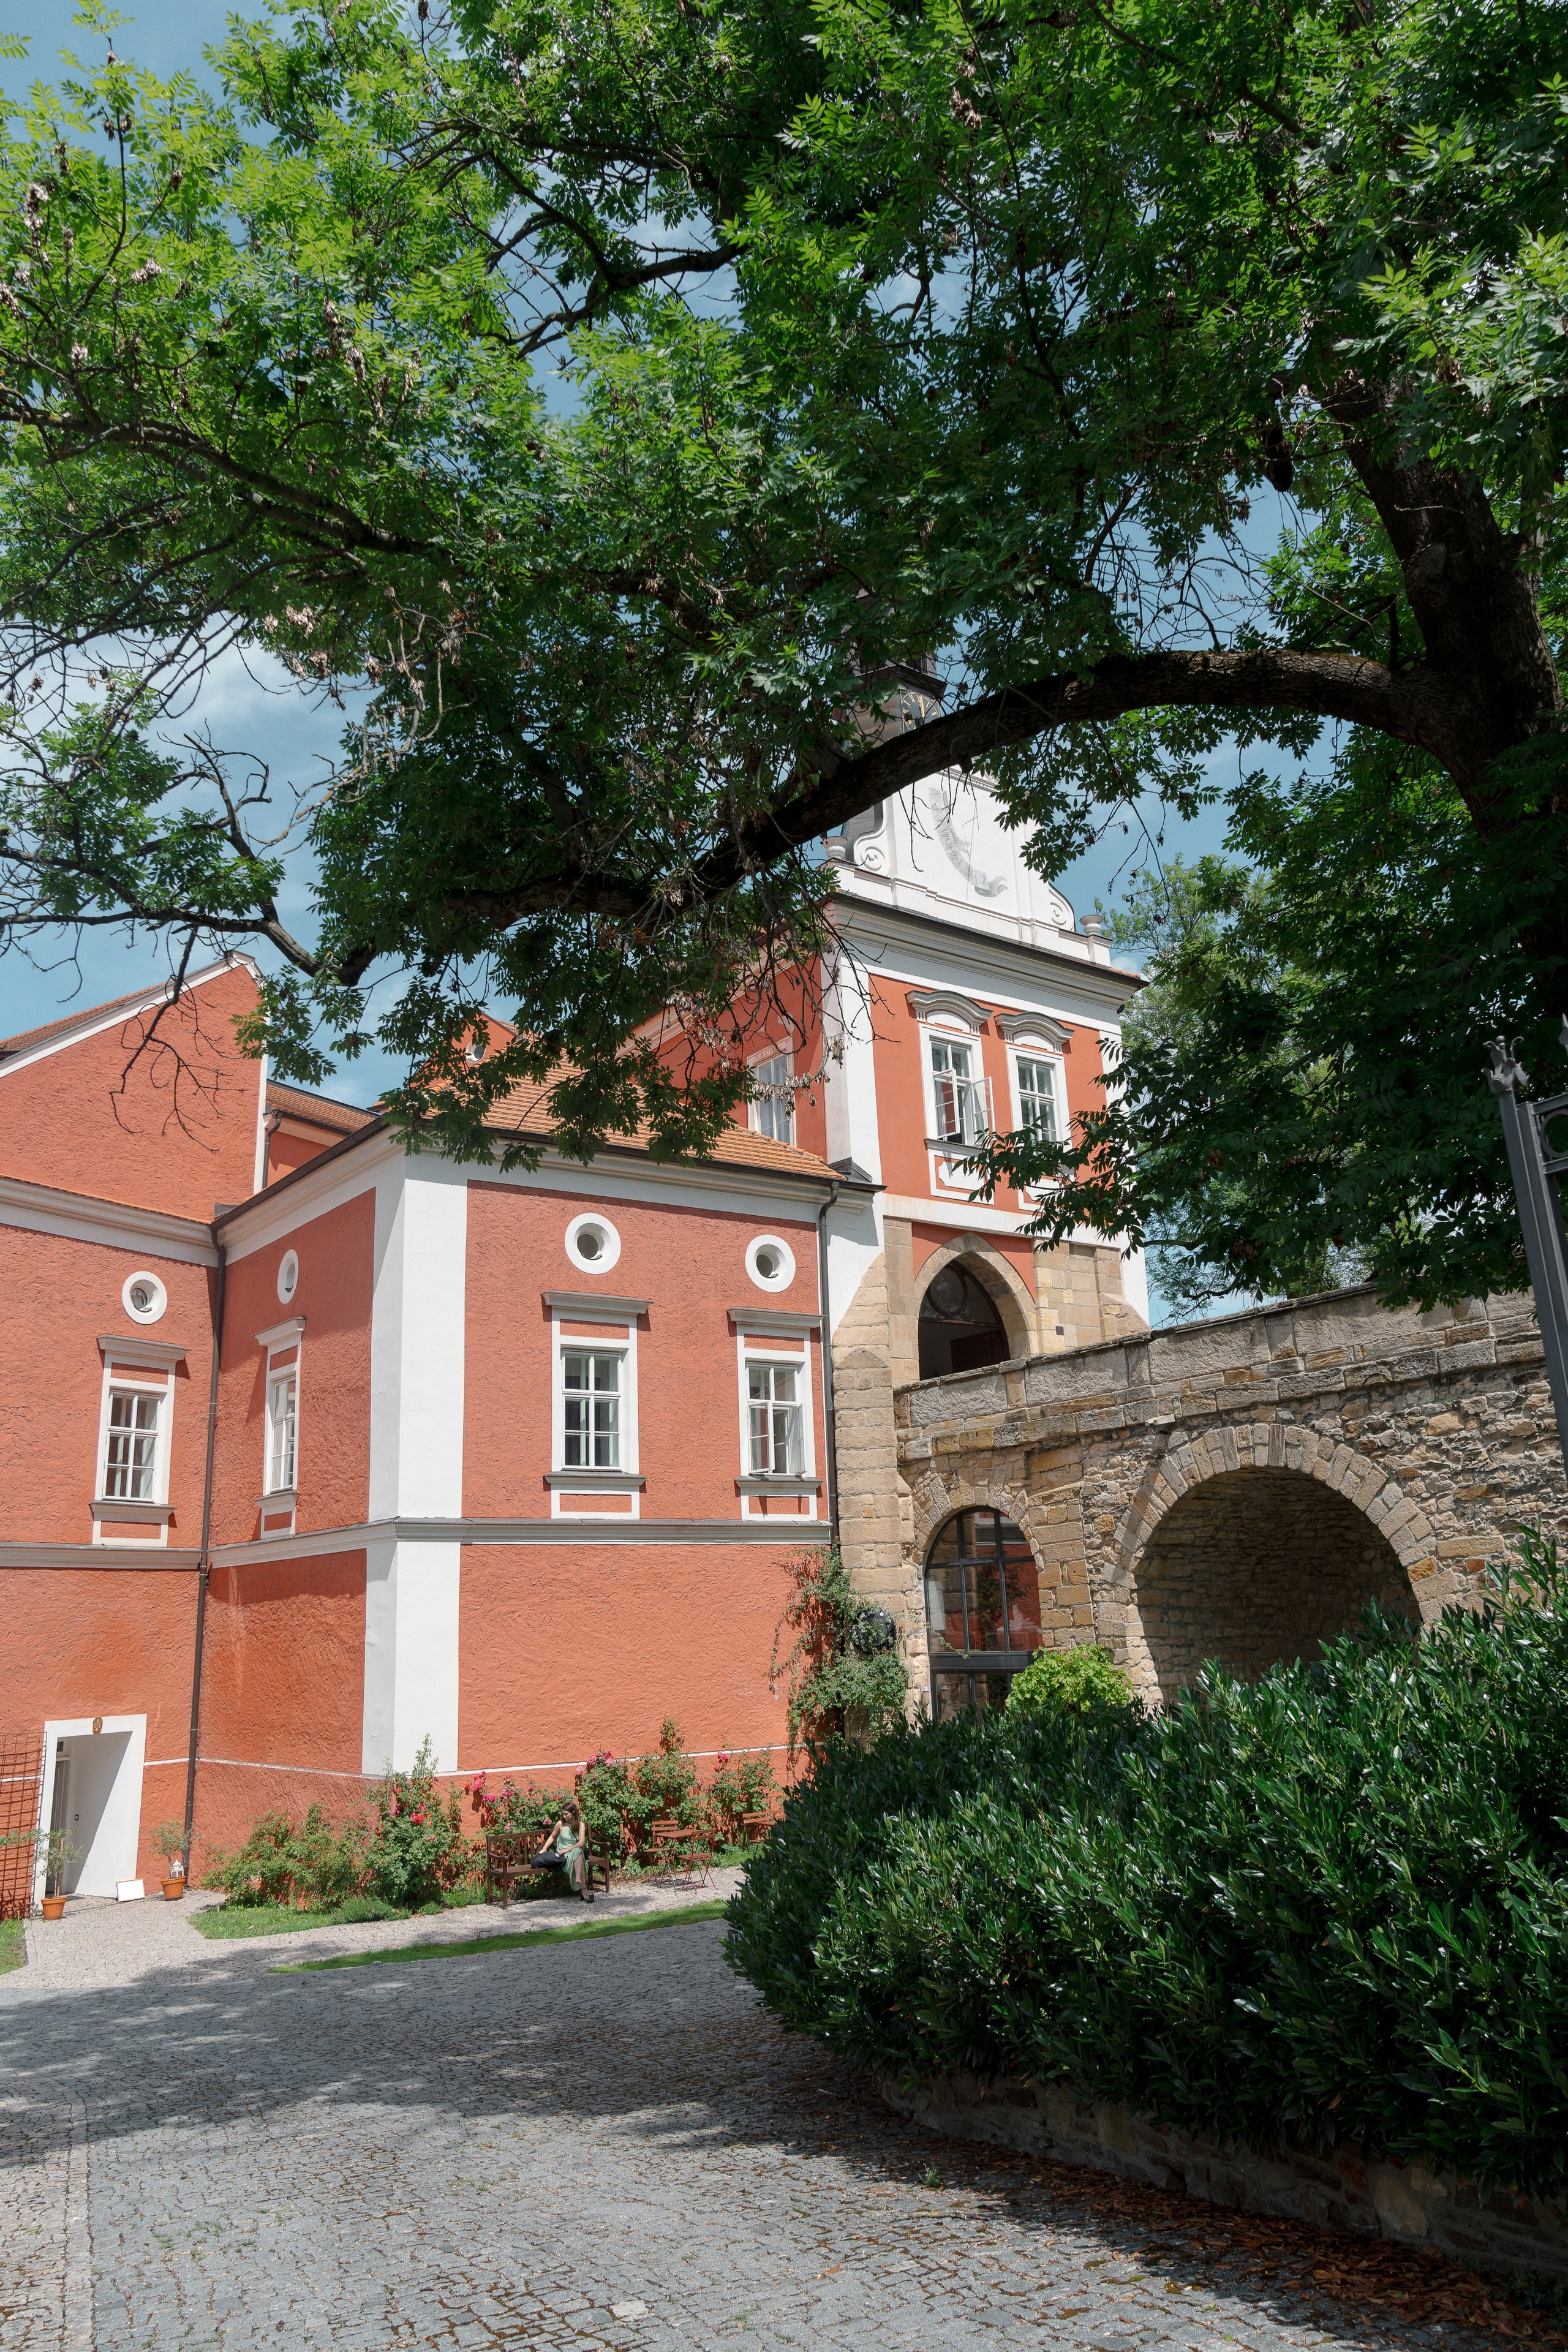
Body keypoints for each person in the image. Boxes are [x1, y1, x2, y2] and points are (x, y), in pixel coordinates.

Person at [534, 1800, 594, 1901]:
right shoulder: (560, 1824)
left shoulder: (580, 1825)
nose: (564, 1816)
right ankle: (583, 1888)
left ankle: (579, 1879)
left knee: (578, 1851)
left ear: (573, 1813)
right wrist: (545, 1848)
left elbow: (581, 1843)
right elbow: (552, 1837)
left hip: (573, 1852)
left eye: (566, 1814)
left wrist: (568, 1849)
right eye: (563, 1814)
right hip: (563, 1856)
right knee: (578, 1853)